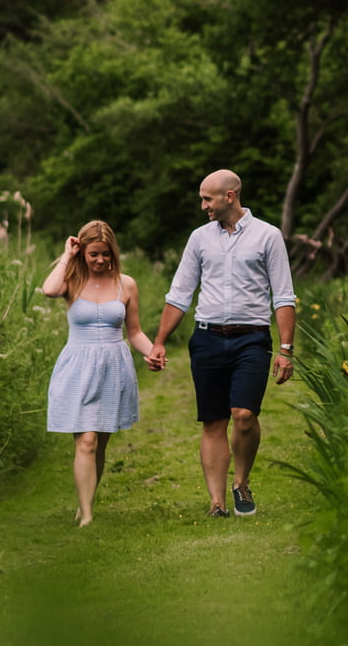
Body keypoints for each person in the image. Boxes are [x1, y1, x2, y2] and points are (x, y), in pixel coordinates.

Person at [150, 170, 296, 518]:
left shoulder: (268, 236)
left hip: (252, 339)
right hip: (207, 338)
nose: (203, 206)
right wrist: (159, 341)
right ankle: (216, 503)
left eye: (208, 199)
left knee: (244, 415)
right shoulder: (199, 239)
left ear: (230, 196)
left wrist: (286, 349)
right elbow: (180, 294)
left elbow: (284, 295)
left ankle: (241, 483)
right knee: (213, 421)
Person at [40, 220, 164, 526]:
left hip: (113, 366)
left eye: (106, 254)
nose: (100, 260)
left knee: (100, 443)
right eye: (93, 254)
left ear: (113, 253)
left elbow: (133, 332)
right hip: (77, 367)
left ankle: (86, 504)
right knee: (86, 441)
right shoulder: (70, 279)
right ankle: (88, 517)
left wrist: (152, 351)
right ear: (83, 251)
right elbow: (48, 290)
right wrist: (67, 255)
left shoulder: (127, 284)